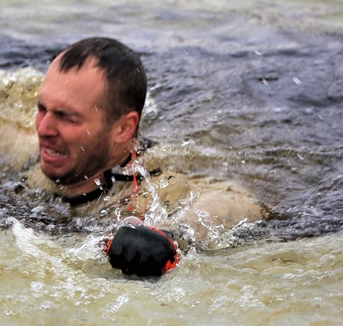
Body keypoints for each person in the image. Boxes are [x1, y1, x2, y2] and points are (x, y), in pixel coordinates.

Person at [26, 37, 266, 276]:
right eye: (42, 109)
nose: (43, 129)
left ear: (123, 128)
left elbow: (240, 201)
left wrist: (170, 234)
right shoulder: (28, 156)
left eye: (67, 116)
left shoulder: (156, 184)